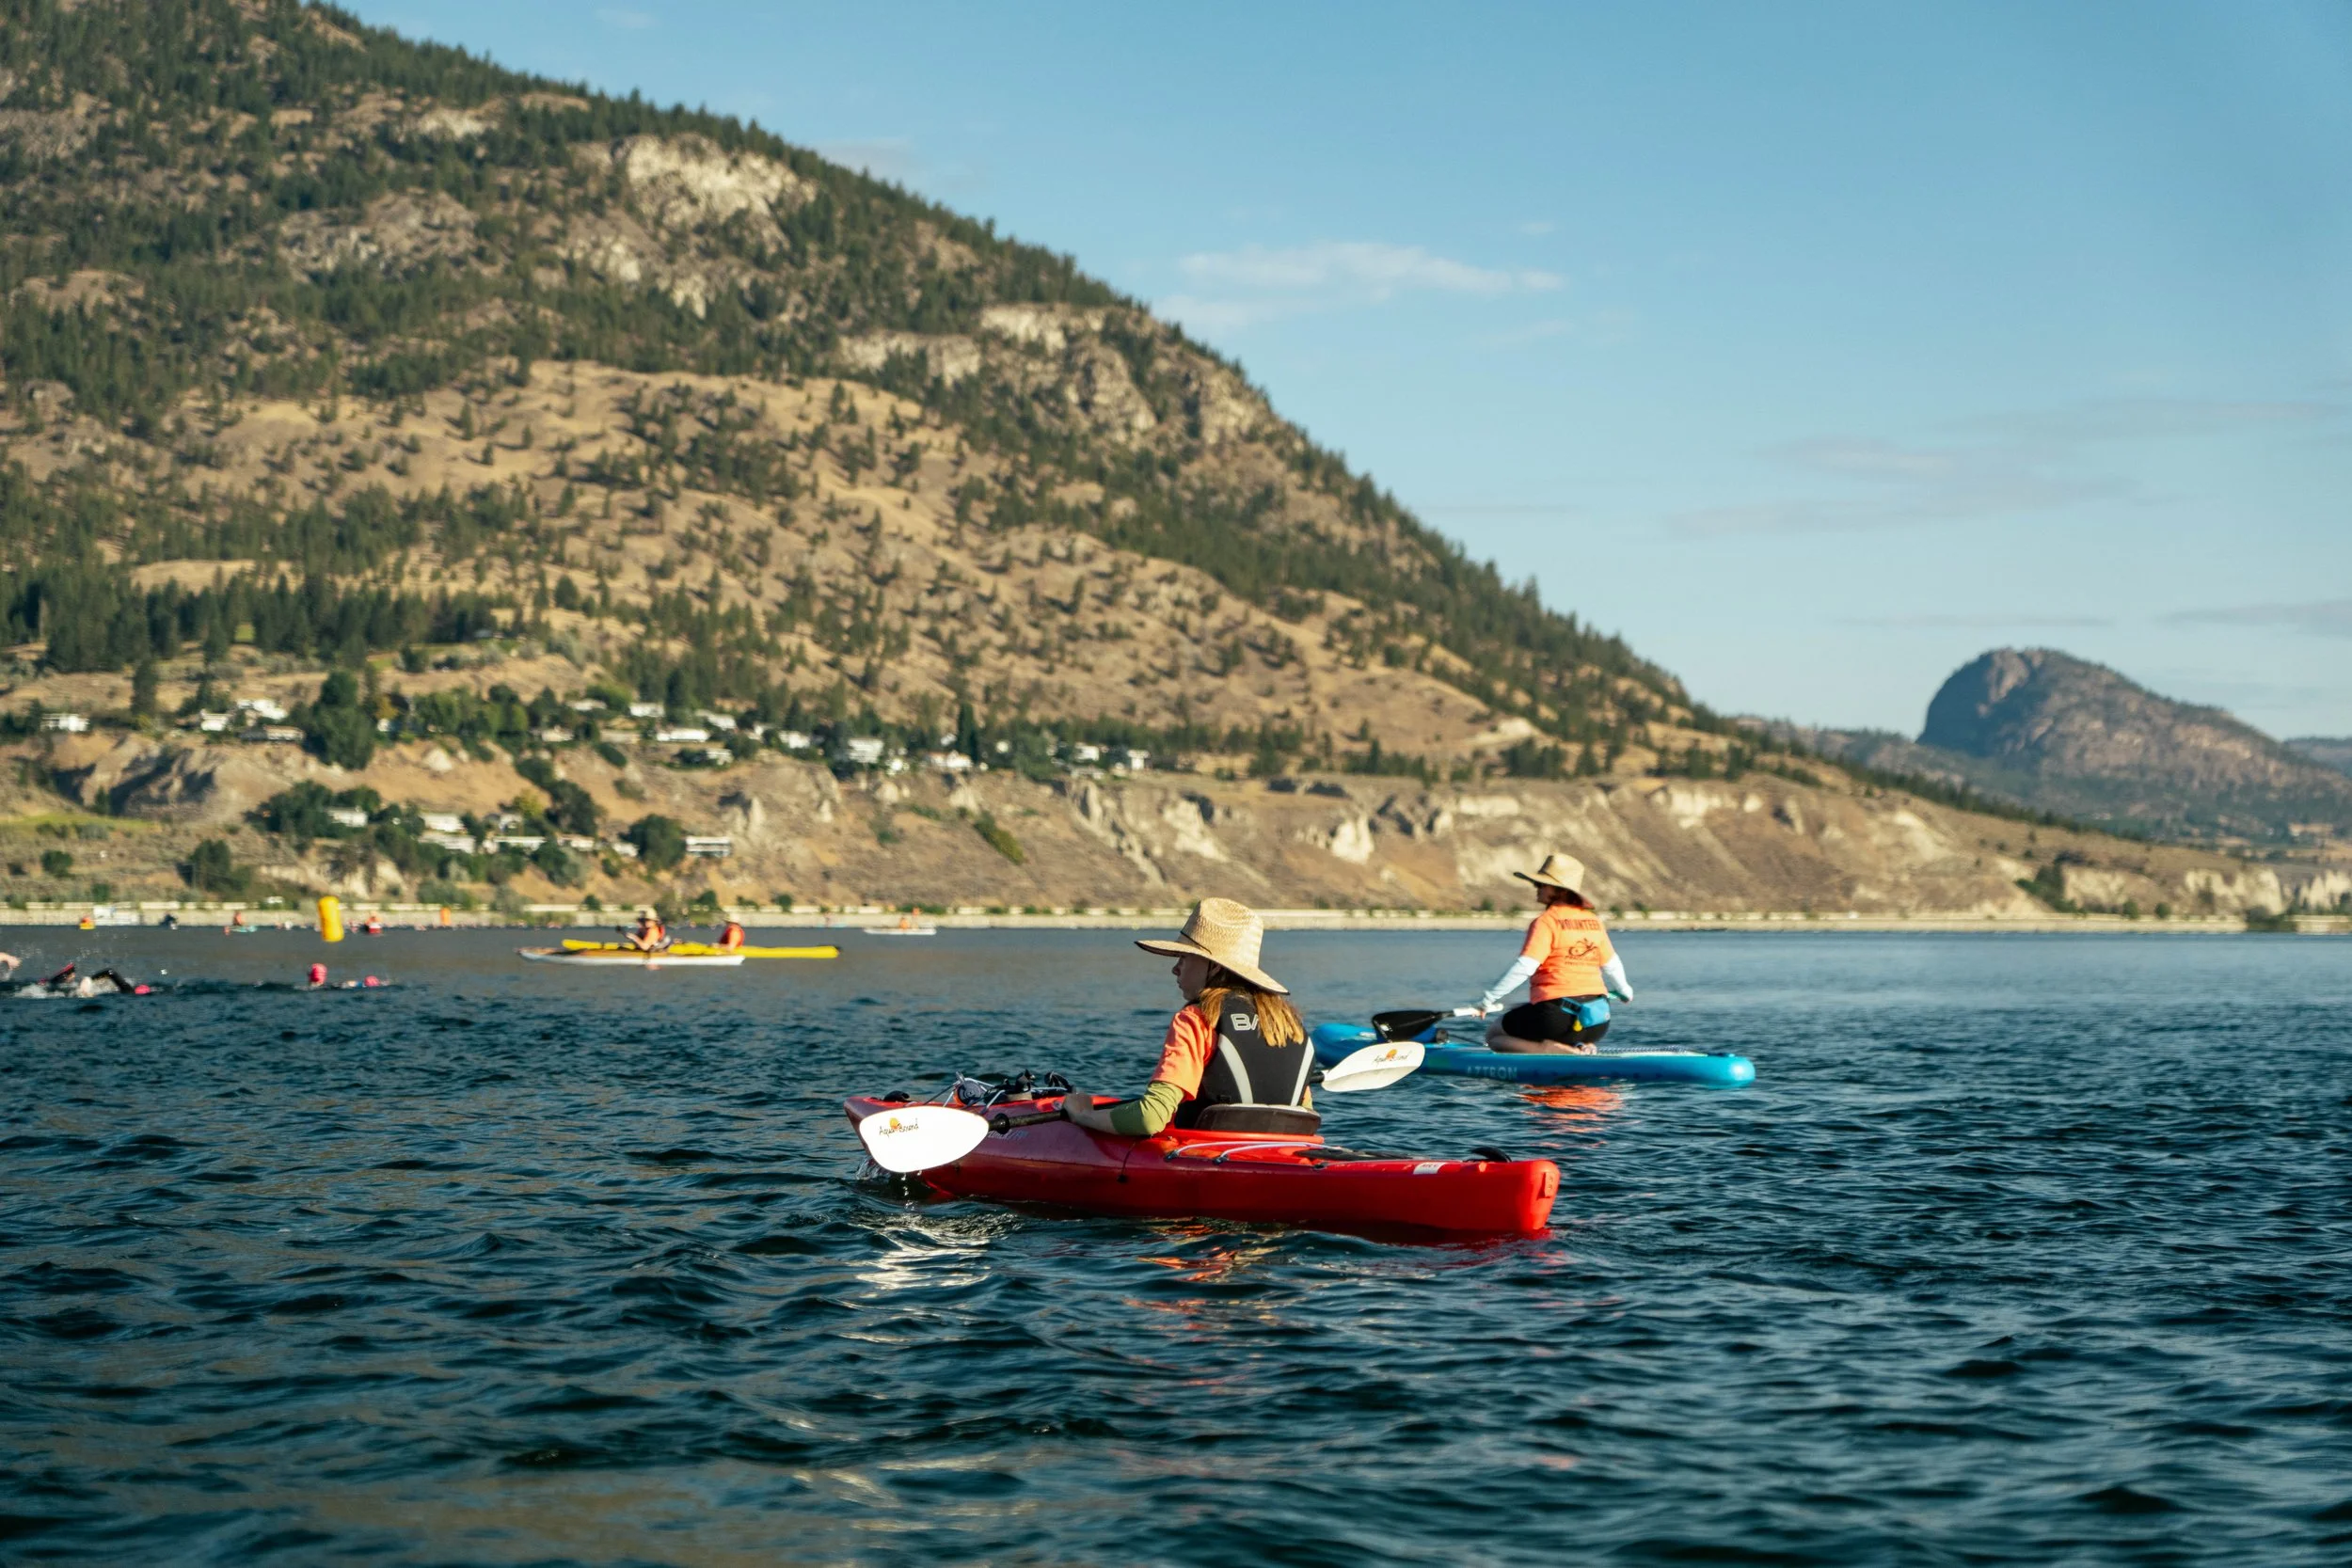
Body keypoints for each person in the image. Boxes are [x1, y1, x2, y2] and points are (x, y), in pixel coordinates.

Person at [1062, 897, 1314, 1136]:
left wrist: (1083, 1115)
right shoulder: (1289, 1023)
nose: (1175, 968)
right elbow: (1305, 1113)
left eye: (1183, 957)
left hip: (1205, 1156)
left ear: (1213, 966)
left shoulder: (1196, 1020)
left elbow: (1150, 1118)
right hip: (1284, 1151)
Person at [1467, 853, 1633, 1054]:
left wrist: (1486, 1001)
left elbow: (1525, 967)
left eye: (1541, 885)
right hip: (1598, 1021)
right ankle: (1583, 1047)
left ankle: (1547, 1048)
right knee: (1534, 1013)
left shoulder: (1546, 922)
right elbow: (1612, 964)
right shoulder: (1594, 922)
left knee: (1494, 1036)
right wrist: (1625, 991)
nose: (1536, 888)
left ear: (1559, 891)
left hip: (1557, 1020)